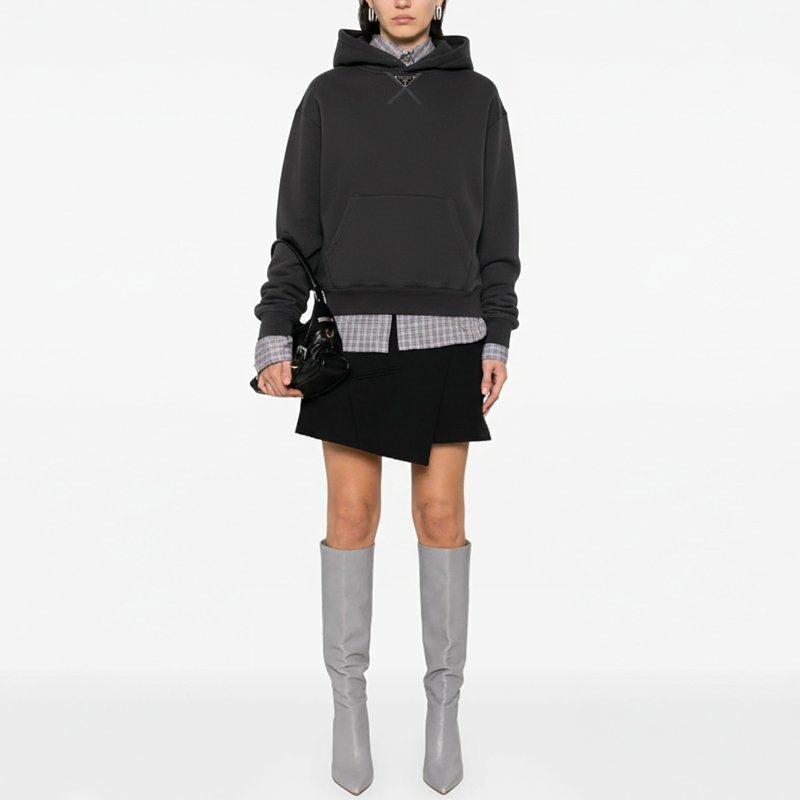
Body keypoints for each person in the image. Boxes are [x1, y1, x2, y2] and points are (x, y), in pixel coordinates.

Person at [250, 1, 522, 794]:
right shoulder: (326, 96)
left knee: (439, 515)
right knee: (351, 515)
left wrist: (498, 334)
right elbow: (296, 230)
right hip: (351, 336)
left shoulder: (479, 98)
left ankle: (444, 710)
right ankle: (349, 708)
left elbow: (499, 232)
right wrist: (275, 330)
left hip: (450, 334)